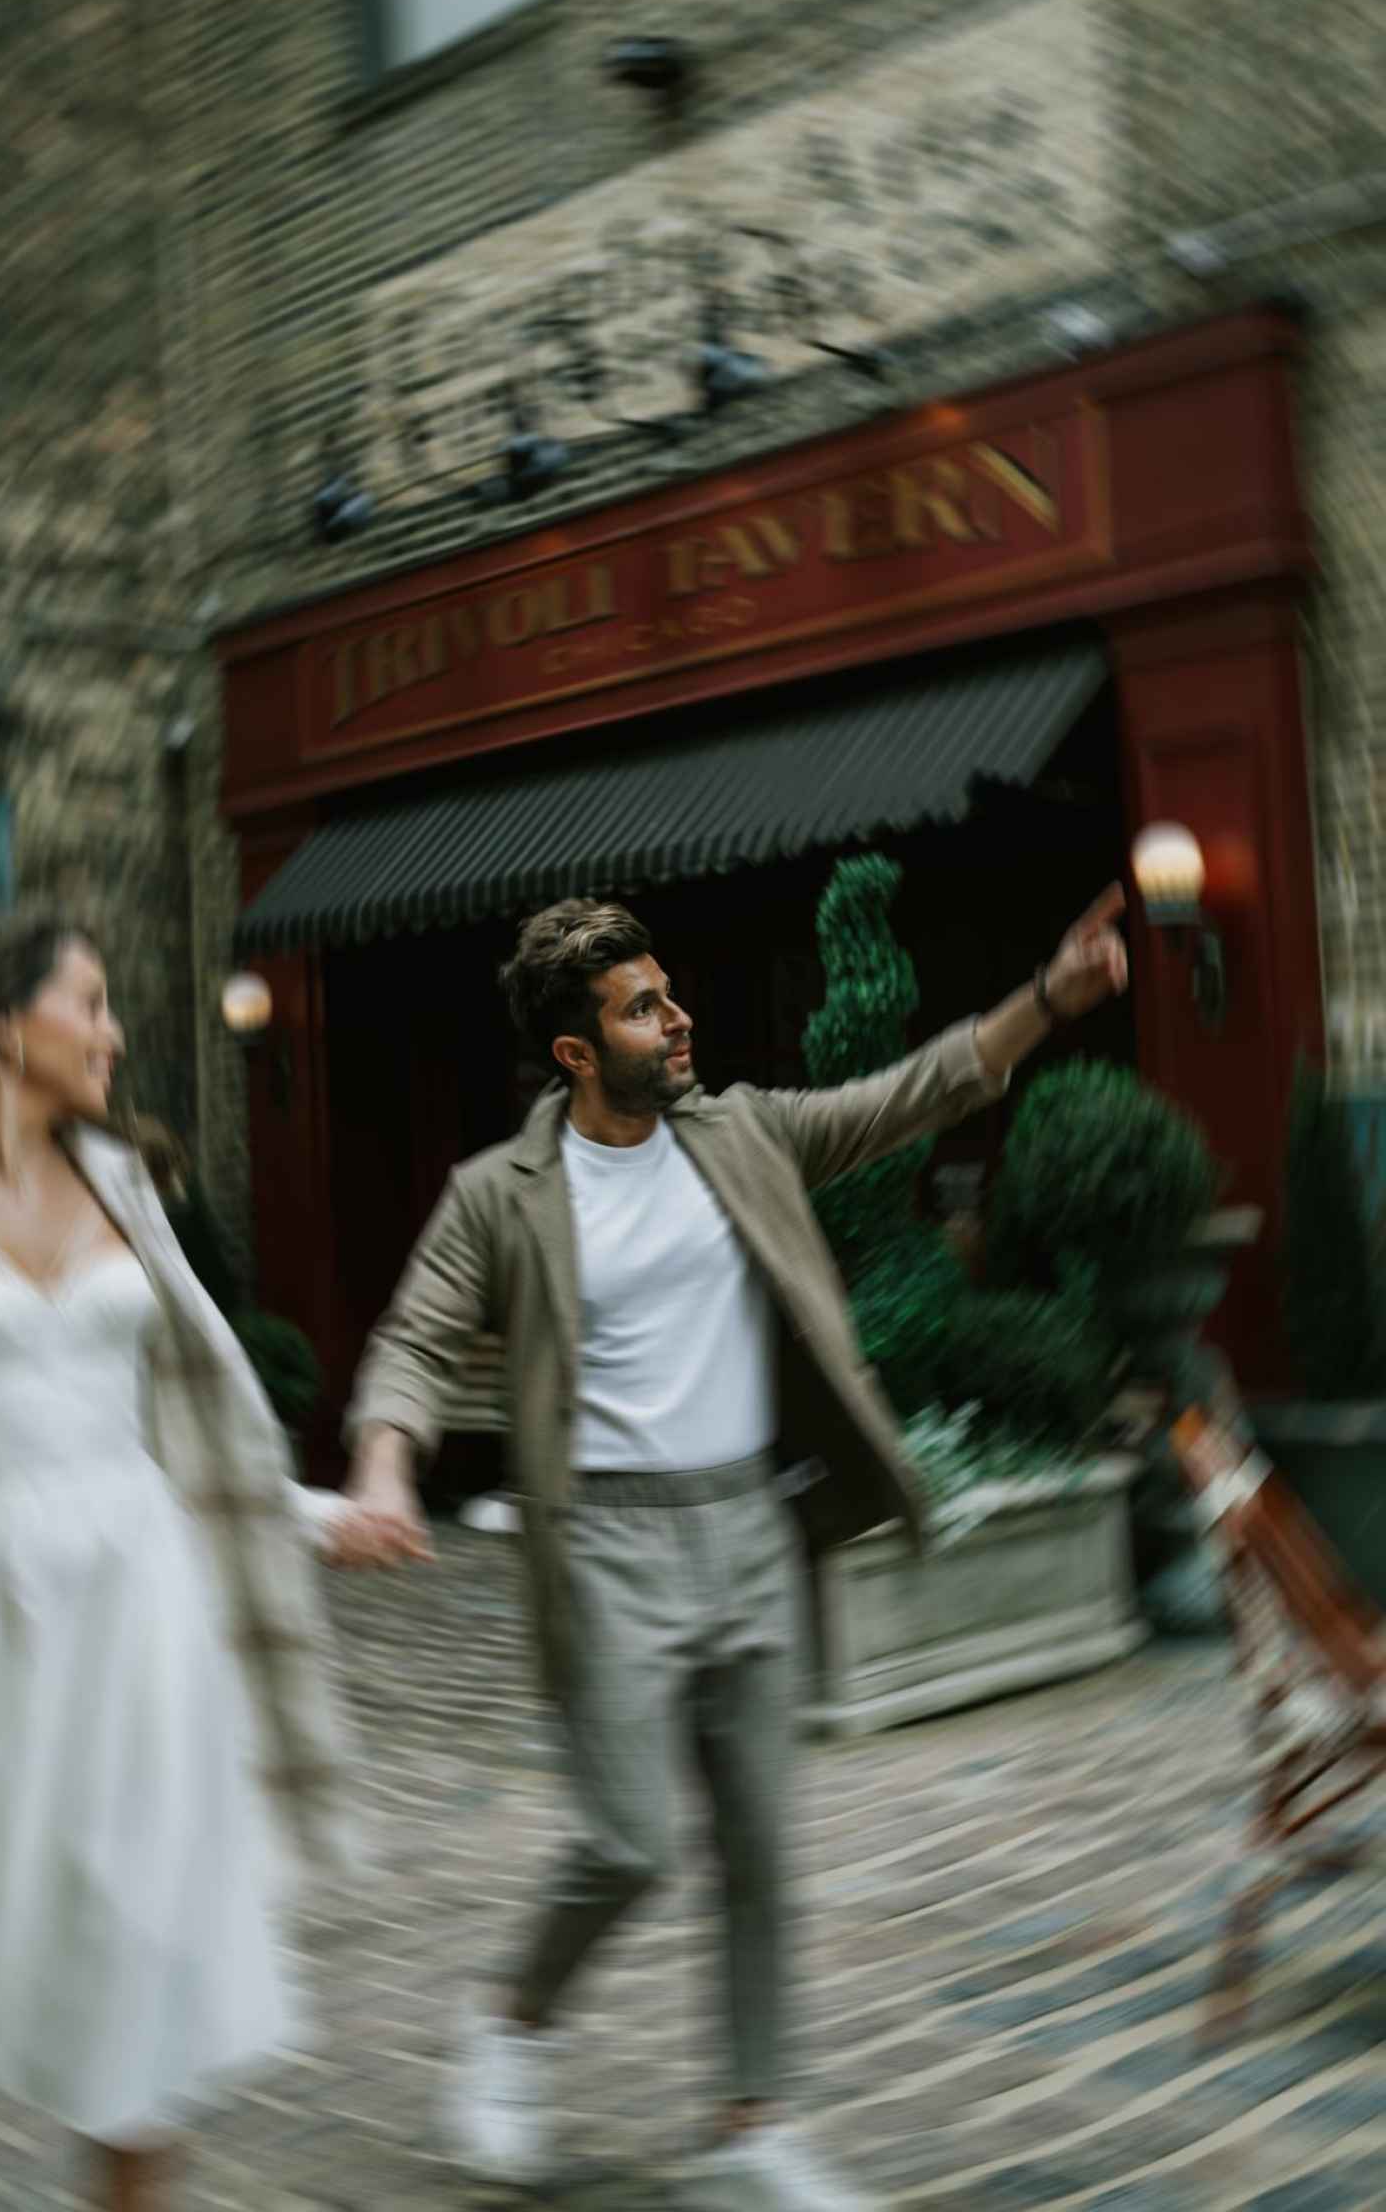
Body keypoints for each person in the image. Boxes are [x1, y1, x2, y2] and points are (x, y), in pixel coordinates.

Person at [342, 885, 1129, 2211]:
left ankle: (750, 2128)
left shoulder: (742, 1133)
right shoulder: (501, 1194)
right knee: (630, 1841)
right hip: (607, 1546)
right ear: (577, 1051)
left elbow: (912, 1093)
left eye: (670, 994)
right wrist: (382, 1467)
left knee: (762, 1843)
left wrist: (1050, 997)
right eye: (643, 1008)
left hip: (752, 1528)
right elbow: (415, 1336)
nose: (678, 1019)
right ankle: (513, 2022)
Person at [0, 911, 381, 2212]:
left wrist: (304, 1511)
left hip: (138, 1607)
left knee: (135, 1945)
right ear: (10, 1028)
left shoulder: (131, 1188)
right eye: (92, 1004)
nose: (115, 1033)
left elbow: (196, 1415)